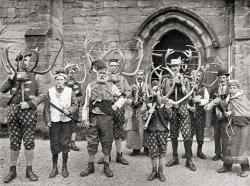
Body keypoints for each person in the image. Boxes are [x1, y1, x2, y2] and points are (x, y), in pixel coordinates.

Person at [1, 50, 44, 183]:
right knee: (14, 141)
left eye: (26, 60)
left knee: (29, 141)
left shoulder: (36, 77)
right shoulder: (12, 75)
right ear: (17, 62)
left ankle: (29, 170)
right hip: (13, 111)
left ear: (30, 62)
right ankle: (12, 170)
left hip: (28, 113)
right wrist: (11, 77)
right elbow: (2, 89)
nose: (23, 62)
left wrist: (31, 103)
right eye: (21, 59)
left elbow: (42, 94)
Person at [80, 59, 126, 177]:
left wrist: (116, 106)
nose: (102, 75)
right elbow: (85, 104)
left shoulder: (111, 86)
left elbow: (123, 97)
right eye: (100, 73)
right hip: (93, 118)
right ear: (97, 73)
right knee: (91, 141)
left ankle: (106, 166)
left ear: (107, 74)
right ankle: (90, 166)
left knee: (107, 142)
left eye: (104, 74)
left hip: (107, 119)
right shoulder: (90, 86)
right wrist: (85, 118)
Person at [163, 53, 196, 171]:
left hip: (182, 108)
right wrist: (169, 101)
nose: (174, 68)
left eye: (176, 66)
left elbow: (188, 94)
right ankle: (175, 157)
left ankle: (189, 159)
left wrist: (181, 83)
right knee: (173, 134)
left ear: (180, 66)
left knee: (187, 134)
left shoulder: (186, 79)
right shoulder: (166, 80)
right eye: (172, 67)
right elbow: (163, 95)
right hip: (172, 109)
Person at [211, 80, 250, 177]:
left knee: (241, 146)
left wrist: (232, 113)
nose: (232, 90)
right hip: (229, 125)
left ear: (238, 88)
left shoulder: (242, 98)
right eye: (231, 88)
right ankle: (227, 165)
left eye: (234, 88)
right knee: (228, 145)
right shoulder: (229, 98)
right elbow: (226, 107)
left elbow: (245, 110)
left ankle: (245, 167)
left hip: (240, 126)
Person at [43, 70, 78, 178]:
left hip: (66, 121)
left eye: (61, 79)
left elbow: (75, 105)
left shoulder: (69, 91)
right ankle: (54, 167)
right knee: (54, 144)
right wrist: (48, 120)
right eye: (57, 79)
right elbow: (47, 108)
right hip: (54, 121)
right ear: (55, 80)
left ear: (65, 80)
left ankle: (64, 167)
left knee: (65, 143)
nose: (59, 81)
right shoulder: (50, 91)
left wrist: (70, 110)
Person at [97, 58, 131, 165]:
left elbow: (128, 91)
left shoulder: (122, 79)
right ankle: (106, 155)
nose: (112, 67)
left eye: (114, 65)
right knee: (105, 132)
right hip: (106, 108)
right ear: (108, 66)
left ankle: (119, 155)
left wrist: (124, 95)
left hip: (118, 109)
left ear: (117, 66)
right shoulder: (104, 77)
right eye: (111, 65)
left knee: (118, 132)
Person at [141, 80, 171, 182]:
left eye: (157, 90)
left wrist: (161, 105)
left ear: (160, 91)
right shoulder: (147, 102)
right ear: (151, 90)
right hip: (152, 130)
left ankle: (161, 171)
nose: (155, 92)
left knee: (162, 151)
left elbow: (169, 116)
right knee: (153, 151)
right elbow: (143, 116)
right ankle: (154, 171)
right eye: (154, 90)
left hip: (162, 130)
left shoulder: (165, 101)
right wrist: (147, 113)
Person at [182, 70, 209, 159]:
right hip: (189, 114)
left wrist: (199, 101)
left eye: (198, 76)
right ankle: (188, 152)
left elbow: (207, 100)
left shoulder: (204, 88)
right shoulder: (188, 87)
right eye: (194, 76)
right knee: (188, 133)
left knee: (200, 132)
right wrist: (189, 107)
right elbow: (183, 100)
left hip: (200, 114)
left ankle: (199, 151)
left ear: (201, 77)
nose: (196, 78)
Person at [204, 69, 230, 161]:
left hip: (226, 116)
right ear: (218, 78)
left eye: (224, 77)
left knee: (225, 135)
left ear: (227, 78)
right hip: (216, 115)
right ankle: (217, 154)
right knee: (217, 135)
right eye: (220, 78)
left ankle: (225, 154)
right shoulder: (214, 89)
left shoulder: (231, 88)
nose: (222, 79)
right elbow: (211, 101)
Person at [126, 70, 149, 156]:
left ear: (143, 76)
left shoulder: (147, 86)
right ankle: (136, 149)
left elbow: (151, 98)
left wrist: (147, 105)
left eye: (141, 75)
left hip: (145, 111)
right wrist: (133, 102)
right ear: (136, 76)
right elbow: (126, 98)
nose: (139, 76)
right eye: (138, 75)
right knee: (134, 129)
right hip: (134, 111)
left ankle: (147, 148)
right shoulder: (131, 87)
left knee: (146, 129)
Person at [64, 63, 83, 151]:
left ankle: (73, 143)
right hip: (66, 110)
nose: (72, 74)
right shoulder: (63, 84)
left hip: (75, 110)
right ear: (67, 74)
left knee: (73, 127)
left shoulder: (78, 85)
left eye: (73, 73)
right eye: (70, 72)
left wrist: (76, 101)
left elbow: (80, 97)